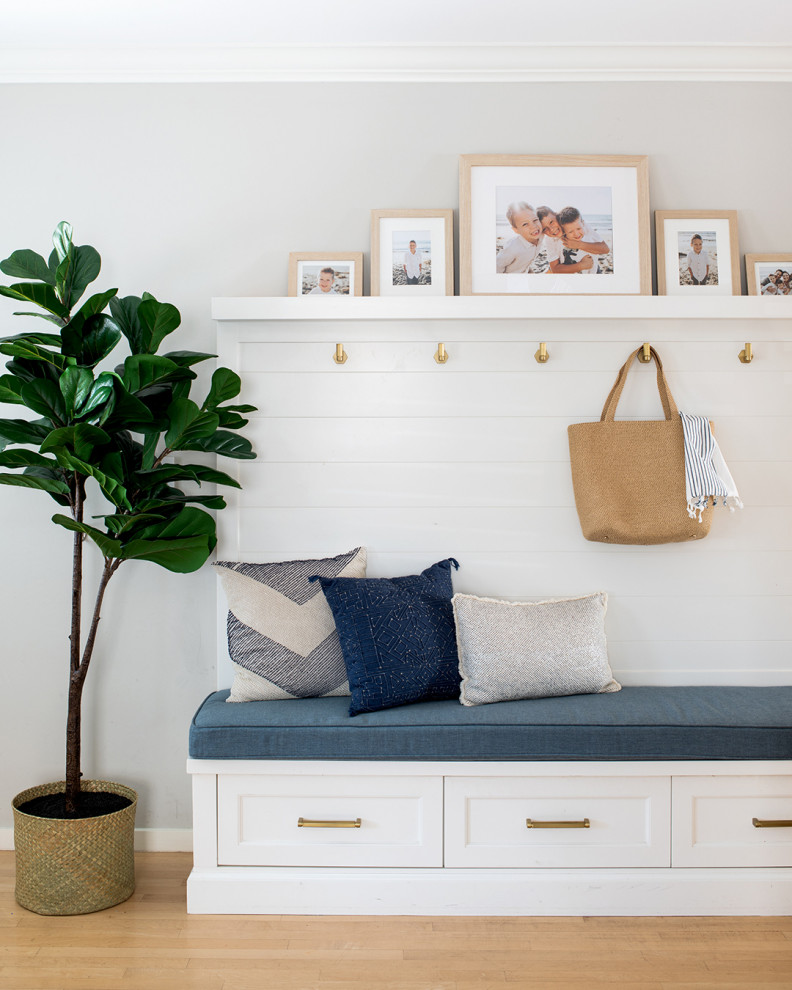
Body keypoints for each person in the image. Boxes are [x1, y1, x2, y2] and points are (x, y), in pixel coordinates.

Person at [537, 206, 594, 274]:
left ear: (557, 215)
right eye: (544, 229)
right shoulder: (549, 239)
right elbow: (555, 269)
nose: (551, 229)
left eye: (551, 222)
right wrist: (581, 265)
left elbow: (604, 249)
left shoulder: (575, 225)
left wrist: (579, 245)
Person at [554, 207, 610, 274]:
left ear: (583, 223)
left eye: (578, 228)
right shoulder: (560, 242)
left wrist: (578, 245)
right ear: (564, 231)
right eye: (570, 232)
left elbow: (606, 249)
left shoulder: (589, 236)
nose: (576, 234)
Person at [496, 201, 543, 273]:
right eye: (525, 224)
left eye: (535, 220)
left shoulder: (541, 236)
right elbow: (497, 266)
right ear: (516, 230)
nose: (534, 226)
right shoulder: (512, 248)